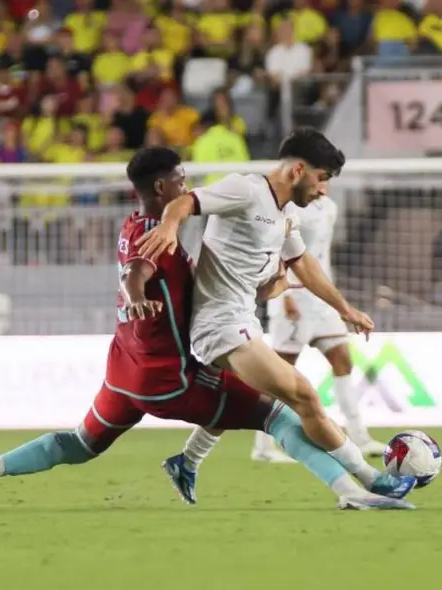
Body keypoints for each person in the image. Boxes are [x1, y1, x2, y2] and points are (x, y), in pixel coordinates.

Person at [0, 147, 415, 512]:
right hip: (170, 376)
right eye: (181, 180)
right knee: (279, 414)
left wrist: (263, 278)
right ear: (163, 188)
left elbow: (154, 266)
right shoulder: (158, 235)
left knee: (78, 443)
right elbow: (138, 271)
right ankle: (355, 489)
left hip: (124, 372)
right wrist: (138, 297)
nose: (187, 186)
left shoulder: (134, 225)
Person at [136, 128, 414, 503]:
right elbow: (184, 203)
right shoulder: (245, 190)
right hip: (219, 324)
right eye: (321, 179)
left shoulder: (283, 213)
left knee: (242, 403)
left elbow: (303, 263)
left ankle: (186, 461)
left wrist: (344, 309)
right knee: (302, 396)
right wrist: (170, 225)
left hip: (243, 319)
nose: (322, 190)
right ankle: (369, 479)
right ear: (298, 170)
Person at [253, 193, 385, 463]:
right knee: (279, 375)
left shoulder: (330, 206)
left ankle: (359, 435)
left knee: (343, 360)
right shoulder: (288, 208)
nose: (323, 181)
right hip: (292, 298)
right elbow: (278, 249)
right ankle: (263, 446)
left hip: (321, 301)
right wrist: (285, 296)